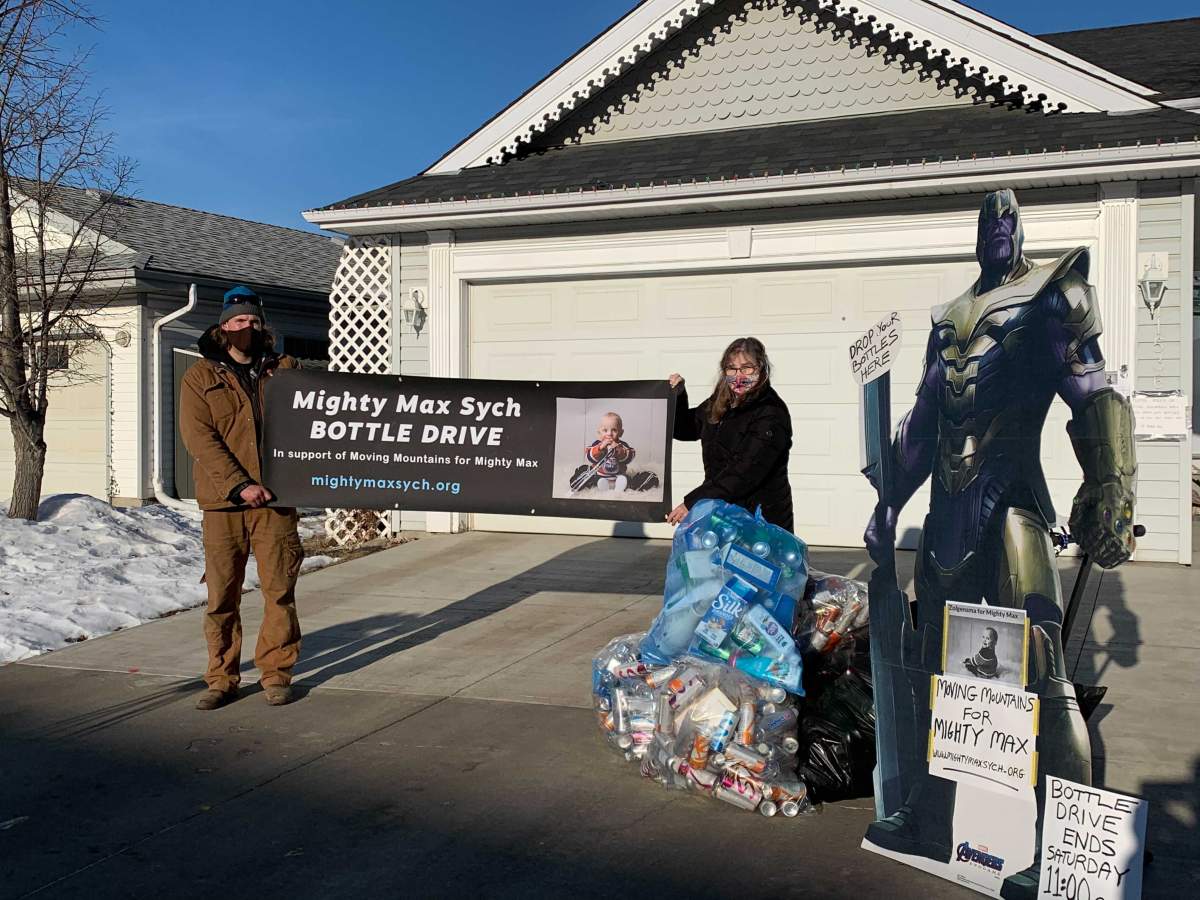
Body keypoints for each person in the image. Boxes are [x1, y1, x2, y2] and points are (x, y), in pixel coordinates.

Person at [179, 285, 304, 710]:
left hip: (277, 500)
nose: (245, 328)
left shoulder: (286, 369)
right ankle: (221, 677)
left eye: (252, 321)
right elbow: (201, 438)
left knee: (279, 591)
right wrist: (240, 484)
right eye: (237, 322)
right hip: (223, 502)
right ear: (223, 327)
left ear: (262, 325)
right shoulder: (201, 376)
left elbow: (315, 422)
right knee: (222, 596)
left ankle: (276, 674)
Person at [666, 337, 793, 531]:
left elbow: (743, 472)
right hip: (724, 513)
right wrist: (679, 395)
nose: (738, 376)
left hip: (761, 522)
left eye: (747, 367)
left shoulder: (770, 412)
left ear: (761, 369)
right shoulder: (721, 403)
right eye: (731, 368)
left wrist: (693, 502)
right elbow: (684, 428)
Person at [586, 412, 635, 491]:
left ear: (621, 433)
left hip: (618, 475)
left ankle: (620, 484)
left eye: (614, 430)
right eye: (605, 430)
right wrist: (600, 448)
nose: (609, 433)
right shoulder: (597, 445)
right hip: (600, 475)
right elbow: (589, 456)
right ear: (599, 433)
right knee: (593, 478)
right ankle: (603, 485)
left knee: (627, 479)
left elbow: (631, 456)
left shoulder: (621, 445)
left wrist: (619, 450)